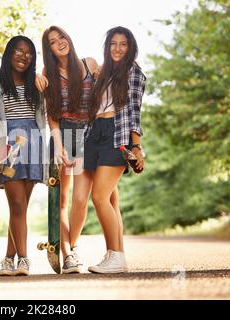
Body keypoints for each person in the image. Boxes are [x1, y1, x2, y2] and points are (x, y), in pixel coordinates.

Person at [0, 35, 47, 276]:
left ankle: (8, 258)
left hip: (34, 144)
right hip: (7, 146)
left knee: (20, 208)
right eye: (18, 51)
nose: (24, 56)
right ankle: (24, 259)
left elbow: (44, 117)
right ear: (9, 53)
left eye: (29, 53)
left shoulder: (36, 84)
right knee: (17, 204)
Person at [84, 26, 146, 273]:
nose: (118, 48)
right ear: (107, 46)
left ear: (130, 48)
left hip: (115, 134)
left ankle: (116, 255)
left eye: (123, 44)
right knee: (110, 198)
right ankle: (115, 255)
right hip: (95, 132)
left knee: (98, 196)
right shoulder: (104, 72)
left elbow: (135, 114)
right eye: (113, 43)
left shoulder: (134, 72)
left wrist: (137, 147)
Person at [41, 26, 101, 273]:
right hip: (63, 135)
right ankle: (68, 255)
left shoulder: (90, 64)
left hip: (88, 133)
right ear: (50, 50)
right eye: (53, 42)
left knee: (80, 199)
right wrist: (57, 142)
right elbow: (51, 113)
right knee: (61, 200)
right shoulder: (49, 73)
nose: (59, 43)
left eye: (61, 37)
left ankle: (71, 246)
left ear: (69, 38)